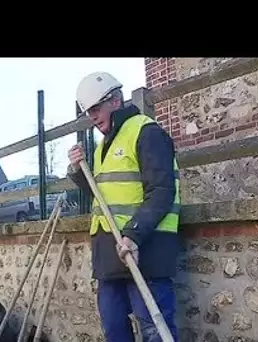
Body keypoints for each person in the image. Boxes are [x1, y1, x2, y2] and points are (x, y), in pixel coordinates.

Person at [67, 72, 181, 342]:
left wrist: (134, 235)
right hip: (111, 255)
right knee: (115, 331)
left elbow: (162, 191)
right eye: (88, 112)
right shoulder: (104, 145)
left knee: (155, 331)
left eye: (96, 109)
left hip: (144, 251)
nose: (92, 117)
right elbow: (102, 194)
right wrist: (77, 171)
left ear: (115, 101)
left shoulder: (147, 132)